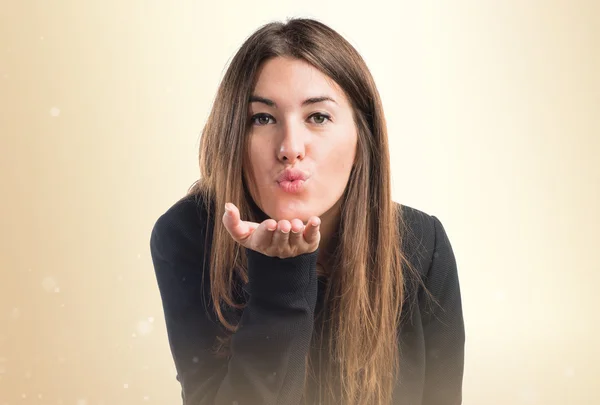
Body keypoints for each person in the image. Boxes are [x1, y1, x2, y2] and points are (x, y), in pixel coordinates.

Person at [149, 17, 465, 405]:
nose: (290, 147)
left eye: (318, 117)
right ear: (234, 134)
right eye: (262, 118)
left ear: (361, 137)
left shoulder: (421, 244)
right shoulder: (187, 236)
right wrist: (281, 277)